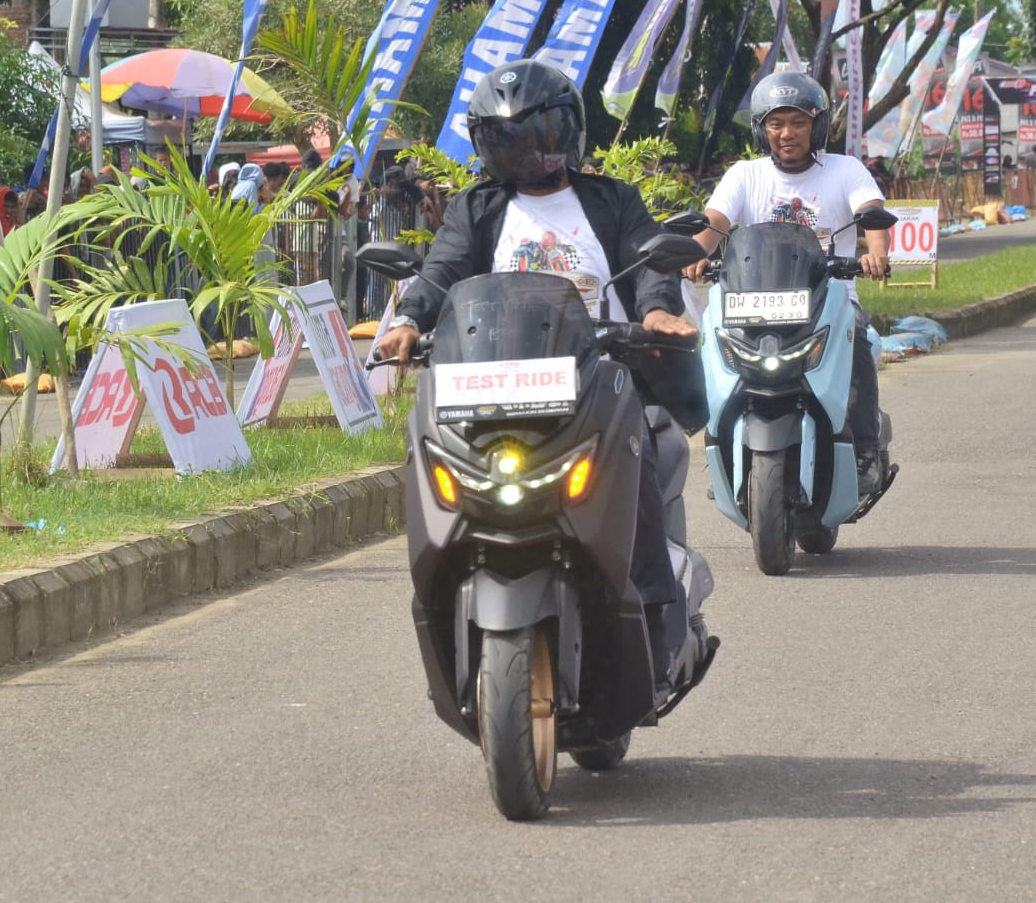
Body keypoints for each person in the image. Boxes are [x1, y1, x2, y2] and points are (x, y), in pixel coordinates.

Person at [376, 59, 699, 698]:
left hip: (595, 374)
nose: (522, 152)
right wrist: (409, 321)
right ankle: (445, 588)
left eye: (534, 135)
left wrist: (656, 310)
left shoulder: (611, 200)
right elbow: (441, 272)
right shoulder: (477, 208)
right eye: (504, 139)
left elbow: (647, 264)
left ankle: (654, 614)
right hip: (496, 383)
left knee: (635, 459)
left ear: (566, 132)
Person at [683, 70, 891, 495]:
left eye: (798, 122)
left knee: (859, 342)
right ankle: (721, 448)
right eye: (776, 123)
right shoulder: (745, 175)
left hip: (828, 300)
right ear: (761, 130)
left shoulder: (845, 170)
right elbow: (715, 223)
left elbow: (871, 213)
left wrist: (876, 253)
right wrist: (691, 255)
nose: (787, 133)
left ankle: (866, 452)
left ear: (817, 125)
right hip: (751, 304)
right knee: (711, 347)